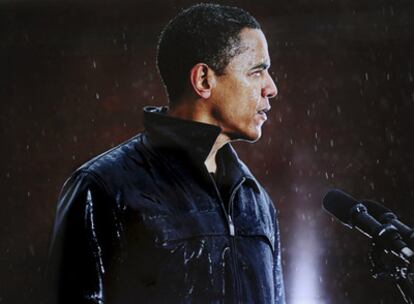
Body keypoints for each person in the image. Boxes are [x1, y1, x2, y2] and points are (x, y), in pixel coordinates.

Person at [47, 3, 285, 303]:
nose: (271, 88)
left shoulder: (255, 198)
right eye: (257, 71)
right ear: (203, 80)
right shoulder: (102, 187)